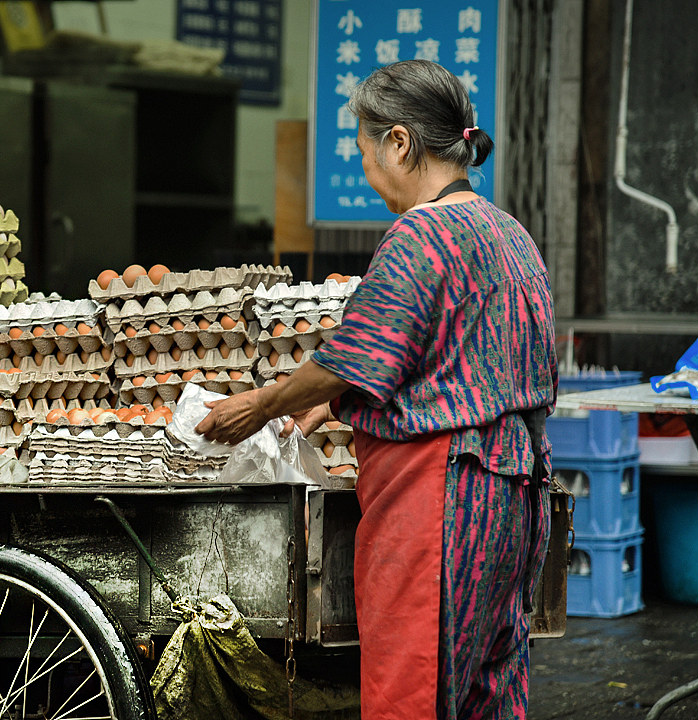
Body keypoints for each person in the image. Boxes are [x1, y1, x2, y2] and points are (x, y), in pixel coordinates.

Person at [196, 59, 557, 720]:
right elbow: (451, 355)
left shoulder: (422, 236)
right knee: (485, 692)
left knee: (415, 692)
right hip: (516, 496)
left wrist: (262, 405)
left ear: (399, 142)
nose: (365, 169)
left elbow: (354, 357)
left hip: (443, 496)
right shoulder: (511, 234)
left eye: (365, 150)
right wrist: (325, 403)